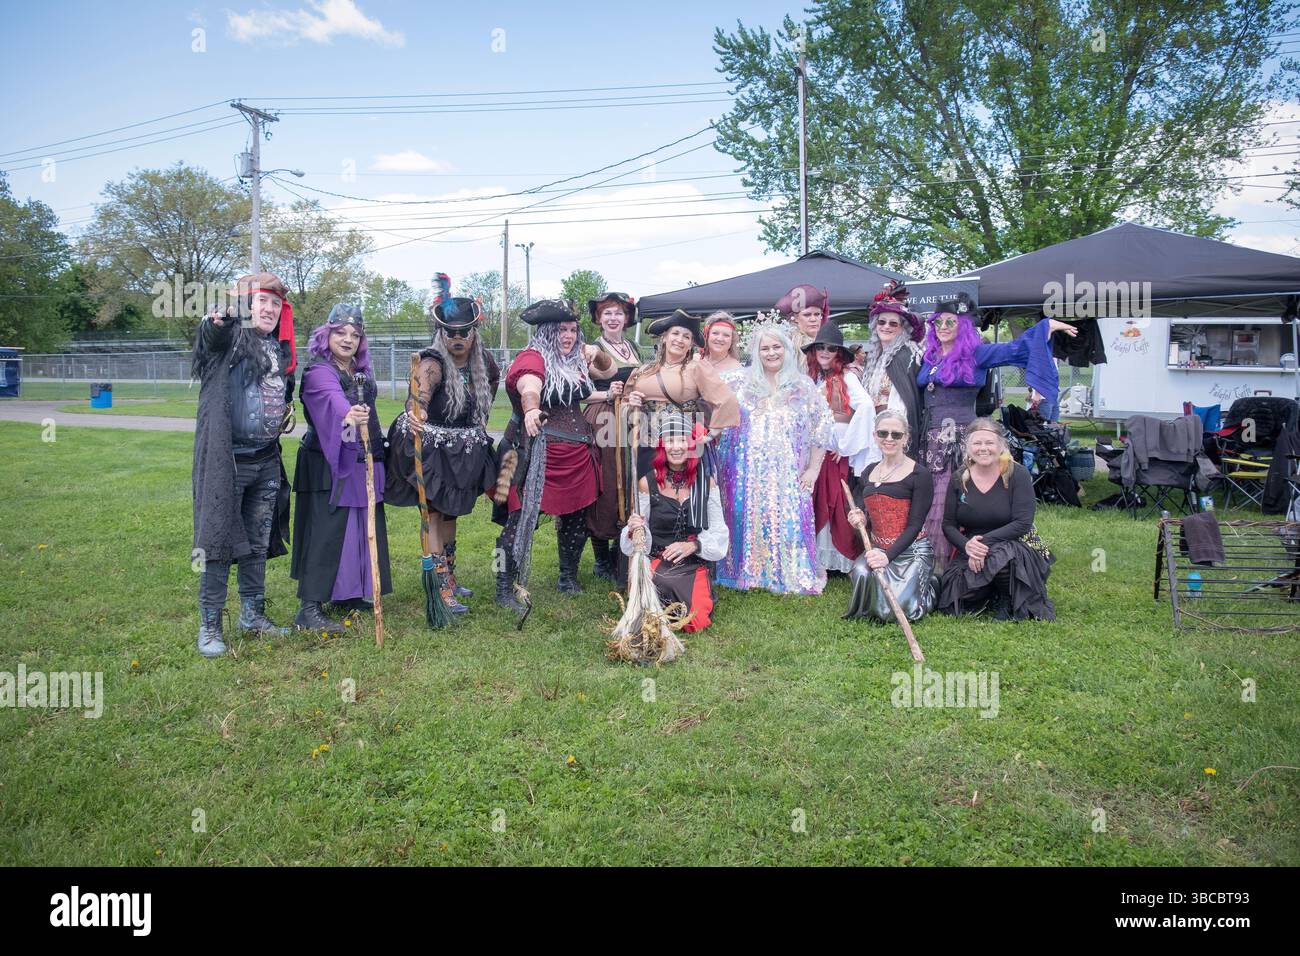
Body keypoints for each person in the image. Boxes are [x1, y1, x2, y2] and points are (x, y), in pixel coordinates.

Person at [917, 296, 1076, 566]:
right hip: (932, 442)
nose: (942, 326)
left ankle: (954, 562)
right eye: (938, 322)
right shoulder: (929, 356)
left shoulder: (976, 353)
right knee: (934, 497)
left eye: (950, 322)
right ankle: (931, 561)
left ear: (963, 326)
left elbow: (1016, 349)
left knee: (971, 495)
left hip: (963, 438)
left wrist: (1045, 327)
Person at [191, 272, 296, 658]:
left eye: (275, 304)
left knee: (256, 542)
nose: (268, 309)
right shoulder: (231, 340)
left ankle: (252, 615)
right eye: (261, 302)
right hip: (227, 462)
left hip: (266, 460)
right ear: (245, 306)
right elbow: (211, 336)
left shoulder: (278, 348)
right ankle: (210, 625)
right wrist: (216, 321)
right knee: (217, 543)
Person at [385, 278, 499, 613]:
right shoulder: (431, 362)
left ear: (475, 331)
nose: (458, 338)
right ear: (442, 333)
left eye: (465, 331)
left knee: (451, 513)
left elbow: (490, 387)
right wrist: (415, 410)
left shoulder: (484, 362)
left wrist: (477, 420)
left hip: (461, 449)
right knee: (434, 515)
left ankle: (450, 577)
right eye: (451, 332)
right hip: (429, 447)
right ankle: (438, 588)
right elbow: (417, 397)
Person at [494, 300, 617, 608]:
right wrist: (532, 408)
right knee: (518, 520)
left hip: (576, 454)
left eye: (573, 330)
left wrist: (606, 391)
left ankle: (568, 577)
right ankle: (502, 585)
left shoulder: (572, 360)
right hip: (534, 453)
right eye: (562, 330)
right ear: (547, 331)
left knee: (576, 519)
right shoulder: (532, 357)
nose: (569, 336)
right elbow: (529, 385)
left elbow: (588, 387)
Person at [715, 320, 835, 595]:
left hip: (787, 472)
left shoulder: (804, 387)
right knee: (744, 515)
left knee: (787, 520)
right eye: (764, 348)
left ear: (787, 349)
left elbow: (822, 428)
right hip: (745, 470)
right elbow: (703, 392)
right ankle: (746, 573)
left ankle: (787, 574)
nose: (771, 353)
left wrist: (813, 470)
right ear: (756, 352)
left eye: (776, 347)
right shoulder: (738, 382)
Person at [291, 305, 392, 633]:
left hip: (363, 458)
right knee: (327, 531)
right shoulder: (319, 371)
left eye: (355, 335)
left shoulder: (358, 371)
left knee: (357, 529)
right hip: (327, 464)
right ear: (327, 334)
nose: (348, 340)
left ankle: (347, 594)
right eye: (340, 333)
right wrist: (347, 416)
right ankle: (309, 609)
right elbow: (333, 402)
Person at [624, 309, 740, 531]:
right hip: (646, 443)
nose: (680, 340)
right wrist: (632, 400)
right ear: (664, 337)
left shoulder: (696, 367)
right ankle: (642, 551)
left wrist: (710, 434)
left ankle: (684, 549)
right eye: (675, 333)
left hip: (678, 447)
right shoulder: (645, 369)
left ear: (691, 344)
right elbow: (624, 401)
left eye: (686, 337)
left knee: (674, 498)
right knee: (645, 496)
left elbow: (726, 400)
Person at [620, 413, 728, 632]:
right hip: (657, 562)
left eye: (682, 440)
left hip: (693, 563)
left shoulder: (706, 483)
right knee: (658, 588)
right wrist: (634, 527)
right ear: (662, 446)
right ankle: (651, 604)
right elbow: (640, 535)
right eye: (670, 440)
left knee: (695, 622)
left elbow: (718, 530)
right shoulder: (646, 482)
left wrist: (694, 545)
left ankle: (664, 607)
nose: (676, 447)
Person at [938, 418, 1055, 620]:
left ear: (1001, 445)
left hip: (1014, 544)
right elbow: (948, 525)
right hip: (973, 547)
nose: (983, 448)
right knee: (956, 597)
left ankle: (1007, 598)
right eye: (977, 443)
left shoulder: (1017, 474)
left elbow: (1022, 523)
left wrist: (982, 546)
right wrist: (967, 547)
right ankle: (990, 592)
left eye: (989, 443)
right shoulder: (959, 478)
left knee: (1001, 555)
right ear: (968, 447)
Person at [843, 410, 936, 622]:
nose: (889, 439)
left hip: (912, 550)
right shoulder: (868, 472)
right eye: (883, 433)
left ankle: (929, 588)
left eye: (896, 434)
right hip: (877, 548)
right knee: (862, 573)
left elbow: (915, 525)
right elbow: (865, 512)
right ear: (875, 436)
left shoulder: (919, 474)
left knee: (894, 610)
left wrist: (888, 556)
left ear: (907, 438)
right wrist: (860, 519)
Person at [803, 321, 877, 574]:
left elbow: (865, 407)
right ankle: (814, 556)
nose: (824, 352)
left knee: (833, 502)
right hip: (810, 452)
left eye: (831, 349)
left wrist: (845, 446)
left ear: (838, 354)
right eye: (820, 348)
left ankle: (835, 558)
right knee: (813, 500)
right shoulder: (811, 379)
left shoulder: (844, 378)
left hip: (832, 455)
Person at [582, 291, 642, 583]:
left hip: (633, 419)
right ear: (598, 319)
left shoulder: (633, 347)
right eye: (607, 313)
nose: (613, 318)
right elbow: (579, 389)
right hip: (604, 418)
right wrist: (607, 392)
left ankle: (626, 547)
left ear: (626, 318)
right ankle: (601, 557)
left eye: (618, 312)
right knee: (606, 481)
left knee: (631, 481)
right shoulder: (592, 349)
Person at [860, 281, 924, 452]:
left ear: (903, 329)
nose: (886, 327)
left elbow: (905, 402)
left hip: (894, 435)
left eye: (893, 323)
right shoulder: (875, 358)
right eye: (882, 322)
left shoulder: (906, 355)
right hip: (875, 433)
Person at [775, 283, 829, 373]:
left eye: (817, 314)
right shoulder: (786, 345)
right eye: (807, 315)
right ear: (795, 318)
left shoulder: (828, 343)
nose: (813, 319)